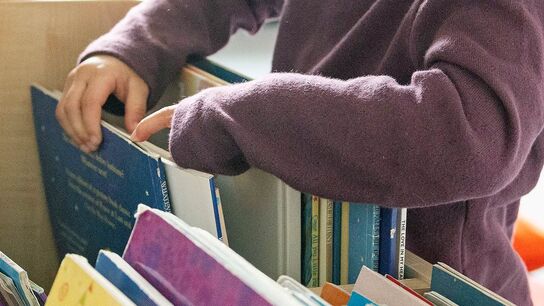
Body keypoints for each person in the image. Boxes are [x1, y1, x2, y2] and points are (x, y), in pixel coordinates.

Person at [56, 0, 544, 304]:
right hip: (298, 255)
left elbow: (468, 134)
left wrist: (244, 117)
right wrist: (134, 45)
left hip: (426, 281)